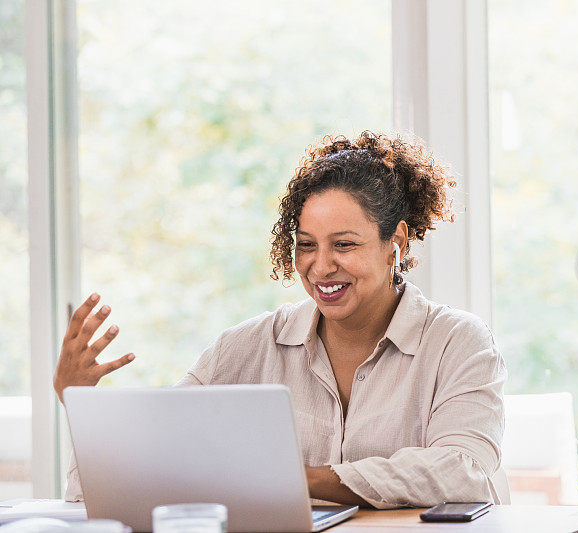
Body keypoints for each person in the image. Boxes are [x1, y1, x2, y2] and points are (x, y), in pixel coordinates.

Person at [54, 131, 507, 508]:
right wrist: (80, 404)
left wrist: (296, 478)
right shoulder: (247, 349)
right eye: (306, 244)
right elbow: (157, 466)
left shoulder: (457, 342)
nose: (321, 266)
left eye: (344, 244)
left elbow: (465, 471)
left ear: (397, 244)